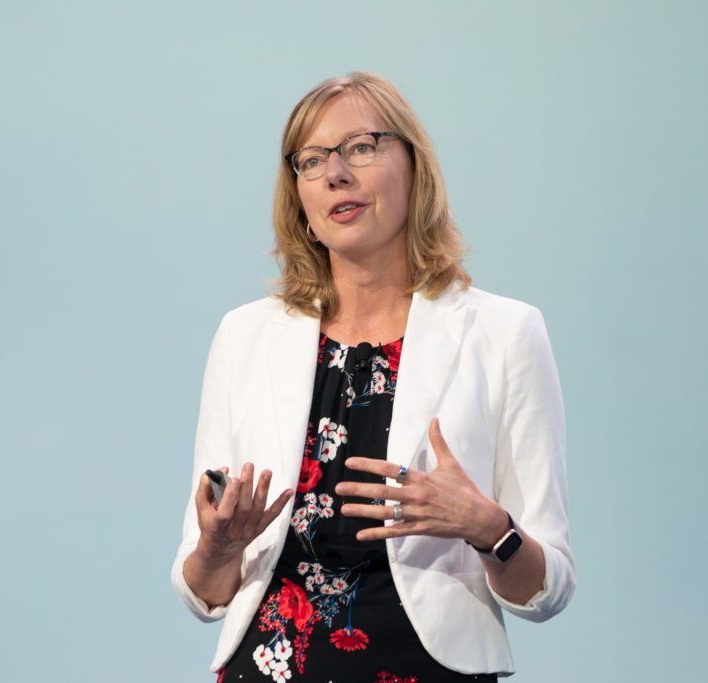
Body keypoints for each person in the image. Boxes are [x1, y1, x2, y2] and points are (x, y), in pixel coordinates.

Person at [170, 72, 576, 682]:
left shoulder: (505, 334)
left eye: (361, 147)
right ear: (301, 201)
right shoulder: (244, 337)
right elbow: (204, 592)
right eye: (312, 160)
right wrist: (220, 547)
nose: (336, 173)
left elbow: (548, 590)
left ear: (415, 169)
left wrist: (491, 530)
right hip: (267, 665)